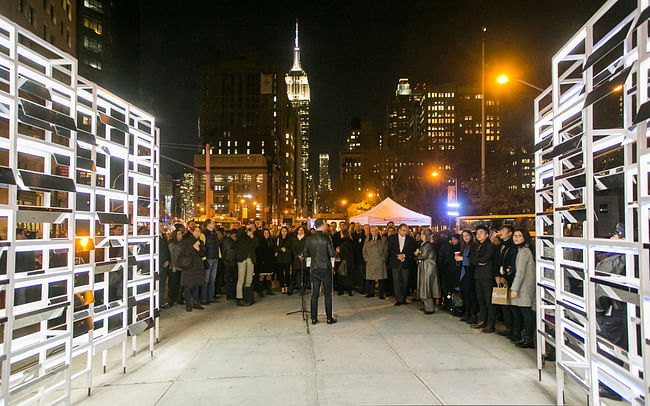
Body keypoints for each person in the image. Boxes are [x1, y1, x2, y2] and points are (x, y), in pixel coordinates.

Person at [304, 218, 337, 324]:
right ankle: (329, 318)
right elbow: (331, 253)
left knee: (314, 294)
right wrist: (336, 252)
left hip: (314, 268)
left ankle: (314, 318)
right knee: (327, 294)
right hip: (325, 268)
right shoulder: (326, 238)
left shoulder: (309, 239)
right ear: (322, 225)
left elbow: (305, 253)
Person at [509, 229, 535, 348]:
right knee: (522, 312)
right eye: (515, 236)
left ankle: (528, 338)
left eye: (519, 236)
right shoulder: (521, 250)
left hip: (524, 287)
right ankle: (524, 337)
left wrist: (514, 288)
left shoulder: (525, 251)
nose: (516, 238)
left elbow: (520, 272)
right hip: (522, 286)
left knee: (526, 313)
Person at [495, 225, 520, 340]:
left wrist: (505, 276)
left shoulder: (514, 247)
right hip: (500, 278)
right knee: (504, 305)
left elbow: (513, 265)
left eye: (503, 231)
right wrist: (497, 275)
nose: (500, 232)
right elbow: (497, 261)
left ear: (510, 233)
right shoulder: (501, 245)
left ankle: (516, 331)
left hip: (510, 279)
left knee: (512, 307)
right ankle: (508, 327)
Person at [470, 225, 497, 333]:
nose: (478, 235)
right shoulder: (477, 245)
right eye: (477, 233)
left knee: (489, 301)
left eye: (481, 233)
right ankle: (483, 320)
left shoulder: (490, 245)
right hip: (478, 275)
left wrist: (479, 261)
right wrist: (479, 262)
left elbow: (486, 258)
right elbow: (472, 258)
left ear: (486, 234)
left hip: (487, 276)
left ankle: (491, 324)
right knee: (480, 300)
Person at [387, 223, 417, 306]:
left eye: (406, 230)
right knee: (396, 282)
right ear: (399, 230)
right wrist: (398, 255)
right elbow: (390, 249)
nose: (405, 232)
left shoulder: (410, 239)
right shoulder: (391, 238)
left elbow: (412, 250)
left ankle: (403, 298)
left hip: (406, 263)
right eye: (403, 230)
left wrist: (404, 255)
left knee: (405, 282)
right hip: (395, 262)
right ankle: (398, 299)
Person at [179, 226, 206, 312]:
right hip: (189, 266)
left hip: (198, 266)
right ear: (192, 231)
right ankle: (188, 303)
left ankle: (196, 302)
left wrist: (198, 249)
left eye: (199, 231)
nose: (198, 233)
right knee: (188, 285)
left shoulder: (200, 242)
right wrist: (193, 247)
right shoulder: (186, 241)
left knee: (197, 285)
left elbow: (203, 253)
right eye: (197, 231)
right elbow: (184, 252)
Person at [416, 228, 440, 314]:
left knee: (427, 287)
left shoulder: (427, 245)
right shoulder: (428, 244)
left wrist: (417, 254)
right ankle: (428, 307)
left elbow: (423, 256)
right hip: (428, 267)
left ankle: (429, 308)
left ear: (424, 235)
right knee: (428, 287)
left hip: (427, 268)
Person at [363, 226, 388, 299]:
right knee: (370, 278)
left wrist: (383, 258)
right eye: (373, 231)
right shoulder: (367, 239)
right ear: (370, 232)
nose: (375, 232)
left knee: (381, 279)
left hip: (380, 261)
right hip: (370, 261)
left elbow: (386, 250)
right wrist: (366, 259)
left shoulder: (383, 239)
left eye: (376, 231)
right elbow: (364, 250)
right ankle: (370, 292)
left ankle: (381, 293)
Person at [459, 230, 478, 324]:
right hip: (464, 271)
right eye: (463, 236)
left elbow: (473, 259)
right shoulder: (464, 246)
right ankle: (467, 313)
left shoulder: (473, 245)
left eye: (467, 235)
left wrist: (463, 258)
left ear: (471, 236)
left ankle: (473, 315)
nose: (465, 237)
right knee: (465, 294)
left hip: (470, 271)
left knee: (471, 294)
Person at [235, 226, 258, 306]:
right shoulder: (241, 235)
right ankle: (239, 298)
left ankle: (248, 297)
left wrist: (252, 237)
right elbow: (237, 236)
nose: (251, 230)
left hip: (250, 258)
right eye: (249, 228)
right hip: (242, 258)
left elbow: (256, 244)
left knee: (249, 279)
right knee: (241, 278)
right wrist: (245, 230)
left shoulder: (253, 236)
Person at [200, 219, 220, 305]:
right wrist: (204, 259)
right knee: (206, 279)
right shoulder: (204, 234)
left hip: (215, 258)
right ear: (208, 224)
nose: (214, 224)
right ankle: (204, 298)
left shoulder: (214, 234)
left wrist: (219, 255)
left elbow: (217, 246)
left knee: (213, 279)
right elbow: (202, 247)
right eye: (213, 223)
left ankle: (211, 297)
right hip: (208, 258)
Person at [437, 230, 455, 309]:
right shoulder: (445, 245)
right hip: (445, 269)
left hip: (446, 270)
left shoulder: (445, 245)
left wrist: (441, 265)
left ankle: (448, 304)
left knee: (446, 287)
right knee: (445, 287)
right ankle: (447, 303)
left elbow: (446, 259)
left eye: (442, 235)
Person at [256, 228, 276, 297]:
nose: (266, 234)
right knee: (261, 276)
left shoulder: (271, 241)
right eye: (265, 233)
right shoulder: (260, 241)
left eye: (267, 233)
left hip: (269, 261)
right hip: (262, 261)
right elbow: (258, 252)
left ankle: (268, 290)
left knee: (269, 276)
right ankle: (260, 291)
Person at [336, 230, 356, 296]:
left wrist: (339, 250)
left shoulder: (344, 243)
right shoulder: (351, 242)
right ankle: (349, 290)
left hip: (344, 262)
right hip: (350, 262)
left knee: (342, 275)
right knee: (349, 276)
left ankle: (341, 290)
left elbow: (343, 252)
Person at [168, 229, 184, 306]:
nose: (180, 235)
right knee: (173, 284)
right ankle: (171, 299)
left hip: (181, 266)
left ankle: (178, 297)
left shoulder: (182, 244)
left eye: (181, 234)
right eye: (179, 234)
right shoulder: (172, 245)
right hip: (174, 267)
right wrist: (173, 266)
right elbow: (171, 256)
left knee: (180, 284)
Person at [291, 225, 308, 294]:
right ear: (297, 231)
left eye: (302, 230)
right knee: (295, 273)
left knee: (304, 273)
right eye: (299, 230)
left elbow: (307, 248)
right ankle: (294, 287)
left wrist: (303, 255)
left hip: (304, 258)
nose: (301, 231)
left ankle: (303, 288)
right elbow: (293, 248)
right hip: (296, 258)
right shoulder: (294, 239)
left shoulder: (306, 239)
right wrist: (297, 255)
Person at [221, 229, 238, 300]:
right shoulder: (226, 242)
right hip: (228, 263)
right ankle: (229, 294)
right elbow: (223, 252)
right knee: (228, 279)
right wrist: (225, 261)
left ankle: (233, 294)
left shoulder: (237, 241)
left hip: (235, 263)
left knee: (234, 279)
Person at [276, 226, 293, 294]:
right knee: (280, 273)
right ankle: (282, 285)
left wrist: (286, 250)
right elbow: (275, 248)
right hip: (280, 258)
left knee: (287, 273)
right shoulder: (278, 239)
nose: (284, 232)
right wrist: (280, 249)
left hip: (287, 258)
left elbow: (292, 249)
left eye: (285, 231)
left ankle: (287, 285)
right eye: (282, 231)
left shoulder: (290, 239)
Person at [159, 233, 172, 308]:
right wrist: (161, 262)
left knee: (163, 285)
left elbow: (167, 250)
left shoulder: (164, 237)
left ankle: (161, 302)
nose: (162, 227)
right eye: (161, 225)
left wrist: (168, 260)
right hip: (158, 265)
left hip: (165, 265)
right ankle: (156, 304)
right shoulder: (154, 237)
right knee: (157, 285)